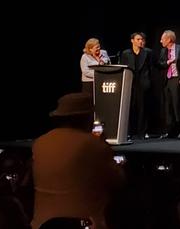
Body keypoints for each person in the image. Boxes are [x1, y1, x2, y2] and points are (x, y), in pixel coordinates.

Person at [32, 93, 122, 229]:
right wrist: (105, 146)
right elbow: (119, 181)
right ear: (86, 118)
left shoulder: (39, 143)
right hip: (86, 225)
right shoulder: (94, 145)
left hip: (41, 225)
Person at [120, 32, 154, 139]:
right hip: (130, 83)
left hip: (143, 84)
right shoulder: (126, 53)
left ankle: (142, 132)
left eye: (141, 39)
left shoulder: (147, 52)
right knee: (130, 108)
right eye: (138, 39)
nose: (140, 41)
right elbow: (123, 68)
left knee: (142, 108)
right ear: (132, 40)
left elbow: (152, 67)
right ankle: (129, 132)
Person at [158, 30, 180, 139]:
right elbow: (159, 64)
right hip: (167, 80)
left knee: (177, 106)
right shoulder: (163, 51)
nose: (161, 41)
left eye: (162, 39)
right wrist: (167, 62)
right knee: (168, 106)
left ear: (169, 39)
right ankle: (169, 131)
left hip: (176, 79)